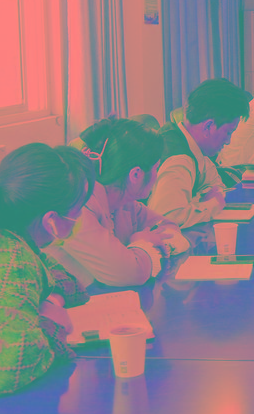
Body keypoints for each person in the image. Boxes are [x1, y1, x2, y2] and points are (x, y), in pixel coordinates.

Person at [0, 143, 96, 398]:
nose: (81, 214)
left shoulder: (3, 233)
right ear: (51, 220)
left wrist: (50, 300)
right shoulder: (11, 260)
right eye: (78, 209)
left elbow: (73, 287)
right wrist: (49, 325)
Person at [44, 119, 190, 288]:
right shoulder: (79, 207)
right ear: (136, 175)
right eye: (156, 168)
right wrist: (142, 242)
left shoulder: (124, 201)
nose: (157, 175)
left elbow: (169, 227)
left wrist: (148, 247)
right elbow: (130, 274)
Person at [149, 78, 251, 228]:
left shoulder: (194, 147)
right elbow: (167, 218)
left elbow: (217, 186)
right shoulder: (178, 160)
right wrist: (212, 204)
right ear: (208, 126)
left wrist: (197, 202)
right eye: (228, 132)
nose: (228, 141)